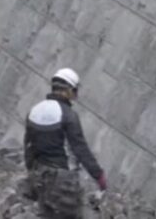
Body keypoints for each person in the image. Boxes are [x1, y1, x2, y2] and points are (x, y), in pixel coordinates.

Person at [24, 68, 107, 219]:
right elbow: (80, 149)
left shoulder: (34, 111)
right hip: (64, 180)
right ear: (67, 90)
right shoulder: (68, 116)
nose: (75, 95)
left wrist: (31, 174)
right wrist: (99, 176)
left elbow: (29, 148)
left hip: (40, 175)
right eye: (74, 90)